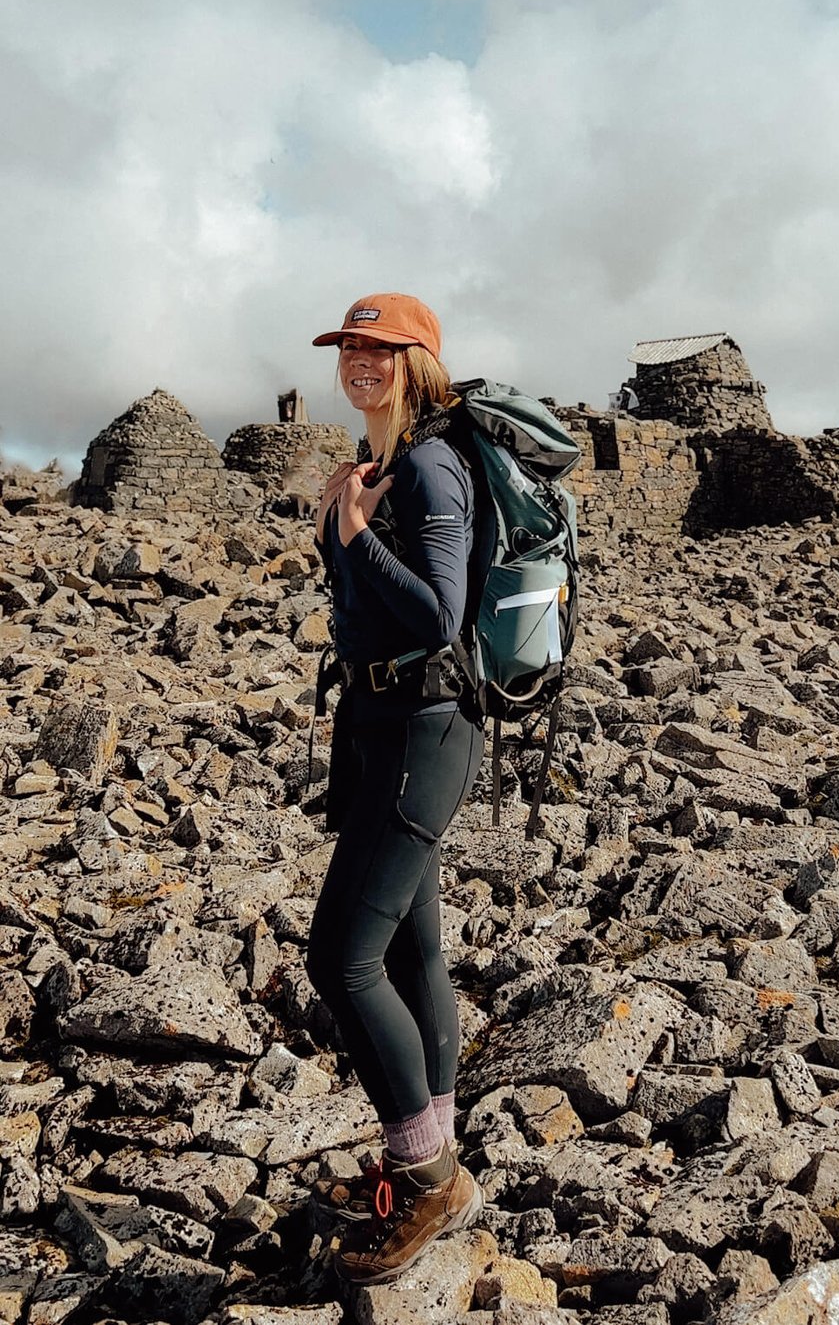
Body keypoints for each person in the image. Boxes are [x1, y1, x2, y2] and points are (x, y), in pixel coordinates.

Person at [305, 293, 485, 1286]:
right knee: (413, 946)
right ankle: (434, 1156)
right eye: (350, 347)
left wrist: (358, 532)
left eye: (380, 349)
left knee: (340, 957)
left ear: (418, 360)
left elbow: (440, 616)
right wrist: (346, 519)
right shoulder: (376, 462)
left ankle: (426, 1176)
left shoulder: (428, 464)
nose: (359, 361)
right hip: (380, 729)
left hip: (426, 729)